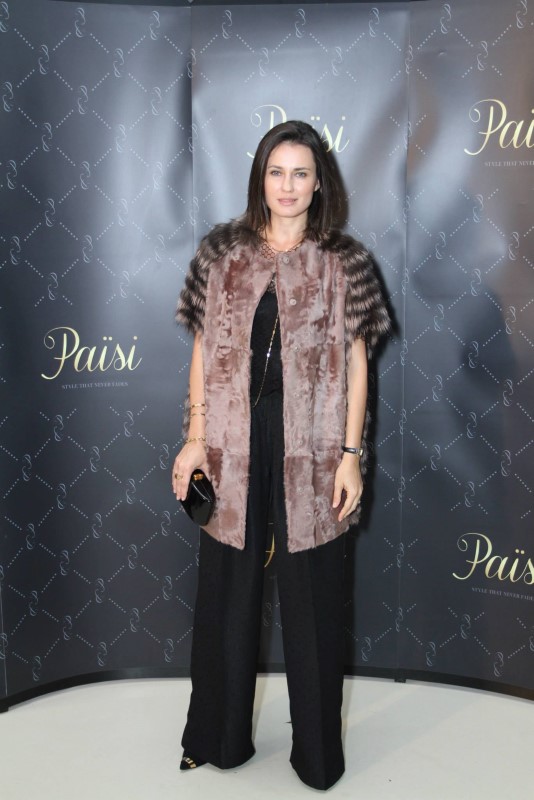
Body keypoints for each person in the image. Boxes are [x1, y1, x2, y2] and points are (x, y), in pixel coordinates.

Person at [172, 120, 390, 790]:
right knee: (225, 595)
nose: (287, 186)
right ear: (259, 178)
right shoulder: (220, 252)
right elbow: (203, 348)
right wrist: (195, 437)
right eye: (276, 171)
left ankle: (317, 756)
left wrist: (350, 454)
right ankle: (215, 738)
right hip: (232, 443)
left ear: (319, 183)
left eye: (301, 173)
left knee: (314, 600)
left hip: (314, 448)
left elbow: (357, 363)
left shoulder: (345, 261)